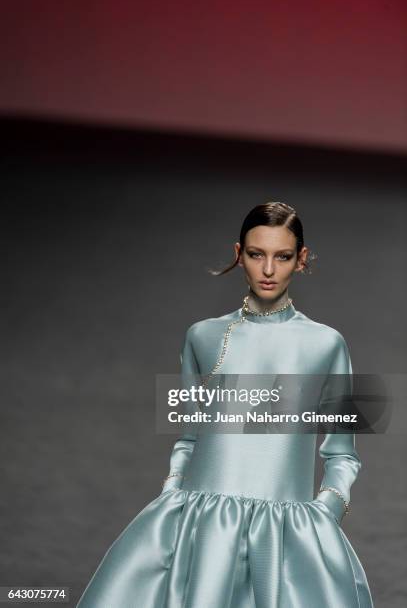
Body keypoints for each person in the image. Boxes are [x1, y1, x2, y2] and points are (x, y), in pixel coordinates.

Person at [76, 201, 374, 608]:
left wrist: (327, 511)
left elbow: (344, 452)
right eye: (256, 255)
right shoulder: (202, 336)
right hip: (201, 527)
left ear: (301, 260)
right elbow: (188, 436)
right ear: (239, 255)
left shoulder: (327, 344)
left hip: (285, 532)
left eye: (282, 256)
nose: (268, 270)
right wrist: (172, 492)